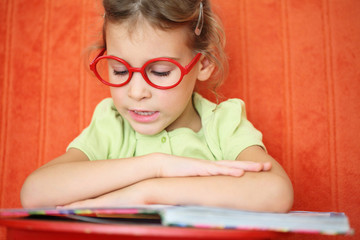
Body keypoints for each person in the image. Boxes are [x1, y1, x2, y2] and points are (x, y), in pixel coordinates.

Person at [20, 0, 293, 212]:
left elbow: (276, 192)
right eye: (118, 70)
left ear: (204, 63)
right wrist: (156, 165)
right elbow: (35, 192)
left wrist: (149, 192)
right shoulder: (111, 124)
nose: (136, 92)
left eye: (160, 72)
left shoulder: (223, 124)